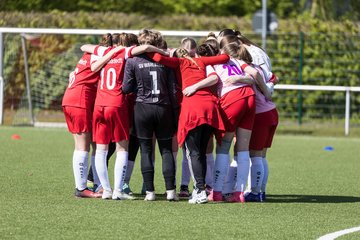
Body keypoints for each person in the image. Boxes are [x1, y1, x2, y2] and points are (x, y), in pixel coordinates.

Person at [84, 32, 169, 200]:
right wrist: (164, 53)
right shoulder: (124, 52)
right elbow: (144, 47)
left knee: (101, 149)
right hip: (116, 103)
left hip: (99, 104)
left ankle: (105, 189)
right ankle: (118, 190)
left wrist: (107, 53)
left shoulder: (103, 52)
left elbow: (89, 58)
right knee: (122, 148)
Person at [149, 46, 229, 204]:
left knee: (194, 152)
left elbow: (157, 58)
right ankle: (202, 189)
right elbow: (225, 58)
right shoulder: (201, 61)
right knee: (202, 151)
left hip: (193, 108)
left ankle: (199, 190)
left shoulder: (179, 62)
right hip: (210, 107)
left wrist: (162, 51)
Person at [62, 33, 123, 198]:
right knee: (83, 146)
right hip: (80, 101)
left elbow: (84, 49)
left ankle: (97, 185)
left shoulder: (90, 52)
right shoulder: (104, 54)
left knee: (94, 145)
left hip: (71, 98)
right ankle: (81, 188)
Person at [123, 30, 178, 201]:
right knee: (166, 150)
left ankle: (150, 192)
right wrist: (175, 112)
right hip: (163, 108)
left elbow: (126, 88)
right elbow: (173, 90)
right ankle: (171, 192)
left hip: (143, 108)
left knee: (146, 150)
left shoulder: (132, 61)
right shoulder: (165, 61)